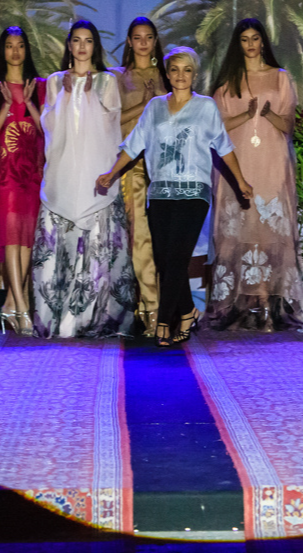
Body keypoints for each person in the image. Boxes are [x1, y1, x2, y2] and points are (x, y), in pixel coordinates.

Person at [97, 47, 253, 346]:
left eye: (187, 70)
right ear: (167, 74)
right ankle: (187, 311)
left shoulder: (206, 107)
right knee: (164, 259)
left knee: (177, 257)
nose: (181, 75)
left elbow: (224, 146)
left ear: (195, 75)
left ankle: (164, 322)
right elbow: (134, 144)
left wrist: (241, 181)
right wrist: (111, 173)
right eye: (175, 69)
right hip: (160, 193)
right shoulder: (155, 107)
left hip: (194, 192)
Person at [32, 20, 135, 339]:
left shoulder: (106, 80)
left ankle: (95, 319)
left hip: (94, 173)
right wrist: (65, 96)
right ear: (68, 45)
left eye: (87, 41)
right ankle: (58, 319)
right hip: (63, 175)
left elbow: (110, 126)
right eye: (76, 40)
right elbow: (49, 126)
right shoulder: (54, 81)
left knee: (96, 251)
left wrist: (90, 97)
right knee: (59, 247)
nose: (81, 46)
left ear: (95, 46)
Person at [206, 18, 303, 331]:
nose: (250, 44)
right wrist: (246, 115)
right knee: (239, 230)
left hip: (272, 163)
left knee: (268, 231)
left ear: (263, 41)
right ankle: (239, 306)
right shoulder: (228, 83)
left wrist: (267, 114)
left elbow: (289, 125)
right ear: (238, 45)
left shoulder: (280, 78)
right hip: (238, 164)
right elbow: (214, 128)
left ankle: (270, 304)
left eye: (255, 38)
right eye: (244, 39)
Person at [0, 26, 45, 335]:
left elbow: (47, 131)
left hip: (32, 173)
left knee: (27, 239)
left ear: (26, 50)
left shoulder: (40, 87)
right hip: (5, 175)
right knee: (11, 239)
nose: (15, 51)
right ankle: (22, 307)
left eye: (20, 45)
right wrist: (6, 104)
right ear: (2, 51)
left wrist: (29, 103)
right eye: (9, 45)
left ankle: (9, 305)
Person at [108, 17, 169, 336]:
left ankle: (165, 307)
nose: (143, 43)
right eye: (137, 37)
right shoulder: (117, 77)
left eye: (148, 37)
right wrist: (145, 106)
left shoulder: (167, 75)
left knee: (164, 240)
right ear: (129, 42)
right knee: (139, 238)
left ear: (155, 41)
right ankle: (149, 308)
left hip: (165, 167)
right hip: (132, 166)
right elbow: (110, 120)